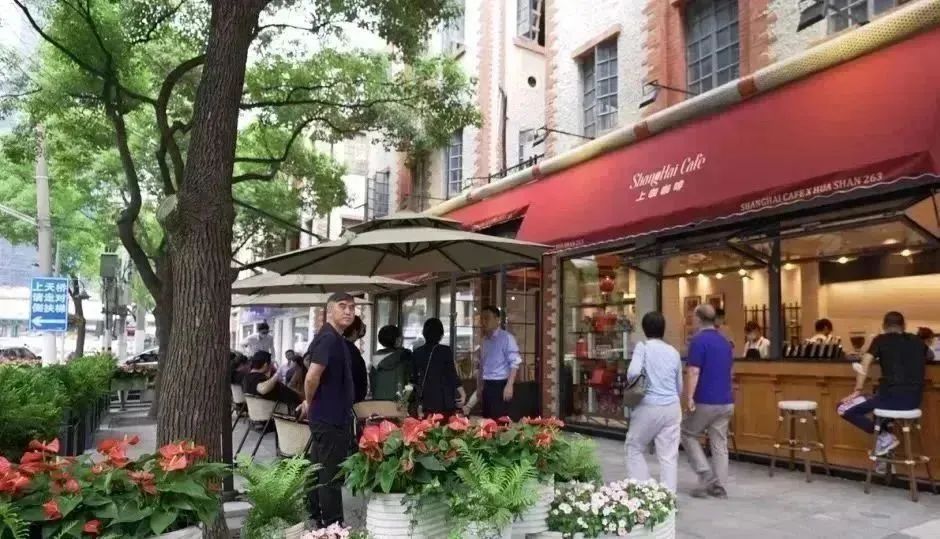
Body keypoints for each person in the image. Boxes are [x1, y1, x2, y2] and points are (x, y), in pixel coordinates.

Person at [300, 292, 357, 528]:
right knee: (330, 474)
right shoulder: (329, 338)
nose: (348, 311)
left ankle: (314, 514)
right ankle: (334, 526)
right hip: (329, 416)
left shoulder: (332, 337)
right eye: (342, 306)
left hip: (329, 414)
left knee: (318, 467)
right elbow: (311, 376)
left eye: (352, 307)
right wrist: (309, 401)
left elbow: (308, 365)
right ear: (329, 310)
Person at [840, 312, 930, 457]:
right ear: (904, 326)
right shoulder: (918, 341)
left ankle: (884, 437)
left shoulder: (880, 340)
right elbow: (930, 356)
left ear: (883, 326)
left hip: (889, 399)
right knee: (879, 410)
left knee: (843, 408)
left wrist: (858, 389)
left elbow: (864, 363)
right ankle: (884, 456)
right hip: (914, 401)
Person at [624, 311, 683, 493]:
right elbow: (679, 386)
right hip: (672, 407)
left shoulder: (642, 347)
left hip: (649, 405)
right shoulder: (673, 352)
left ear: (644, 329)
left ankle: (645, 491)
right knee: (668, 456)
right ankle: (668, 497)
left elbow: (633, 373)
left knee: (634, 447)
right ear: (663, 329)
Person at [680, 304, 735, 499]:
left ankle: (706, 474)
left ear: (698, 319)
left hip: (706, 399)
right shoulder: (725, 341)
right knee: (719, 442)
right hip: (726, 400)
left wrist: (689, 397)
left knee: (687, 433)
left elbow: (694, 371)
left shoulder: (698, 341)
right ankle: (719, 486)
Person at [412, 318, 465, 418]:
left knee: (425, 425)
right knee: (443, 425)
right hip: (443, 399)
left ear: (424, 333)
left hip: (425, 399)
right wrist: (462, 393)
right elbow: (452, 375)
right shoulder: (445, 351)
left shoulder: (417, 353)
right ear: (441, 334)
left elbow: (414, 379)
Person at [478, 306, 522, 419]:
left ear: (497, 319)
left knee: (500, 422)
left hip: (501, 385)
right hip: (487, 385)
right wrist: (480, 387)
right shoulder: (484, 341)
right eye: (482, 318)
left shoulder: (507, 338)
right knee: (487, 421)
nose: (483, 322)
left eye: (487, 318)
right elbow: (482, 365)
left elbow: (515, 362)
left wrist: (509, 385)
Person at [371, 325, 413, 401]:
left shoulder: (376, 358)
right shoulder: (405, 356)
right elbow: (410, 382)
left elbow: (373, 384)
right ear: (397, 339)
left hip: (378, 400)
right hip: (399, 402)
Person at [343, 316, 369, 403]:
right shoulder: (351, 351)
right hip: (351, 401)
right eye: (362, 326)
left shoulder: (342, 346)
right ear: (354, 331)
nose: (364, 327)